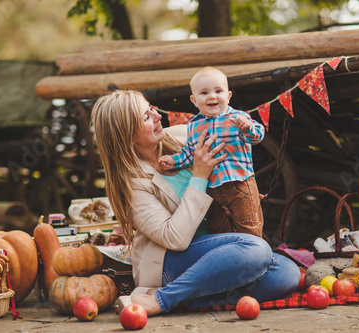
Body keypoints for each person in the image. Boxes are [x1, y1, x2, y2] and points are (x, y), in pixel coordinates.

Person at [90, 89, 300, 316]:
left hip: (216, 246)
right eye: (146, 117)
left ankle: (186, 299)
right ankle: (162, 300)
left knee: (287, 273)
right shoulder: (131, 183)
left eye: (151, 108)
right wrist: (200, 175)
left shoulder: (186, 135)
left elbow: (232, 158)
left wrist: (235, 195)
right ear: (127, 135)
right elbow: (174, 238)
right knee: (256, 250)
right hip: (170, 261)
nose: (157, 115)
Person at [160, 66, 265, 237]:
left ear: (228, 96)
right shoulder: (194, 125)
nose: (212, 96)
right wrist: (174, 160)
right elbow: (190, 153)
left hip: (239, 182)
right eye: (204, 93)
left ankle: (255, 255)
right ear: (194, 100)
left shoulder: (238, 117)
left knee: (249, 225)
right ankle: (226, 256)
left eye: (218, 91)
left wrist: (248, 129)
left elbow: (257, 137)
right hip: (211, 189)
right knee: (217, 228)